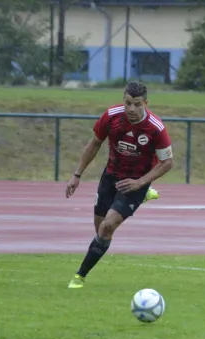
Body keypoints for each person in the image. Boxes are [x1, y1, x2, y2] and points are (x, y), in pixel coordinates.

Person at [65, 81, 174, 289]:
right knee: (100, 230)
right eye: (128, 103)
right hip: (111, 177)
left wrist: (140, 183)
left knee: (107, 227)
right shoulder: (112, 116)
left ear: (146, 103)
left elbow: (167, 162)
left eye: (137, 104)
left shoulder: (155, 128)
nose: (131, 109)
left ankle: (80, 275)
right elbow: (95, 143)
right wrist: (76, 175)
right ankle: (144, 194)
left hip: (135, 182)